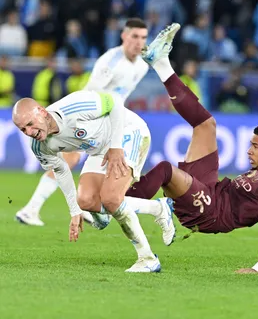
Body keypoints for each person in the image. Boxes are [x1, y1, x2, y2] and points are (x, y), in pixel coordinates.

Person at [126, 23, 258, 274]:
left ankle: (117, 204)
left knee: (165, 170)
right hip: (212, 190)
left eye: (255, 147)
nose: (249, 151)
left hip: (210, 212)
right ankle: (161, 63)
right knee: (206, 125)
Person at [15, 18, 169, 227]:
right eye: (134, 36)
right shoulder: (110, 61)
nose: (139, 42)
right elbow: (91, 94)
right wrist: (83, 124)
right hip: (88, 120)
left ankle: (84, 210)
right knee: (66, 163)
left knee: (76, 167)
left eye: (143, 37)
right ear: (124, 36)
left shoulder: (141, 65)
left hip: (111, 122)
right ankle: (33, 209)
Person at [12, 89, 175, 273]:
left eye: (30, 124)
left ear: (42, 111)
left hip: (127, 132)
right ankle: (158, 208)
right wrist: (74, 211)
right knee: (86, 201)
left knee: (111, 198)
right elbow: (61, 170)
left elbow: (115, 101)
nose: (29, 132)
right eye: (23, 129)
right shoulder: (39, 146)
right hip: (98, 149)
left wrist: (115, 147)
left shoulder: (74, 108)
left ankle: (147, 259)